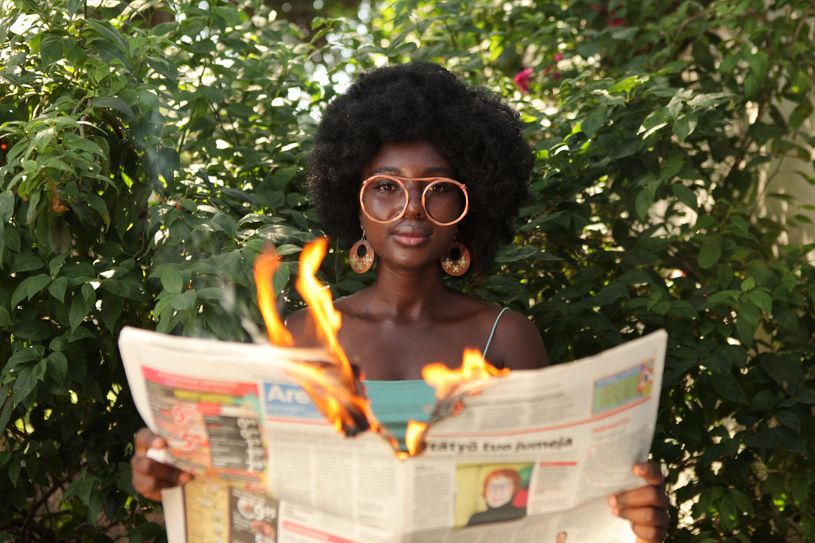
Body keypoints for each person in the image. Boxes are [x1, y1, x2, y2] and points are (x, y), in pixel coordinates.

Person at [131, 62, 670, 542]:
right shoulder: (302, 334)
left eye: (437, 189)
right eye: (386, 187)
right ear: (354, 201)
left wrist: (629, 520)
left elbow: (554, 506)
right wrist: (169, 475)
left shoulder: (506, 337)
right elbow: (252, 491)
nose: (411, 208)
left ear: (469, 205)